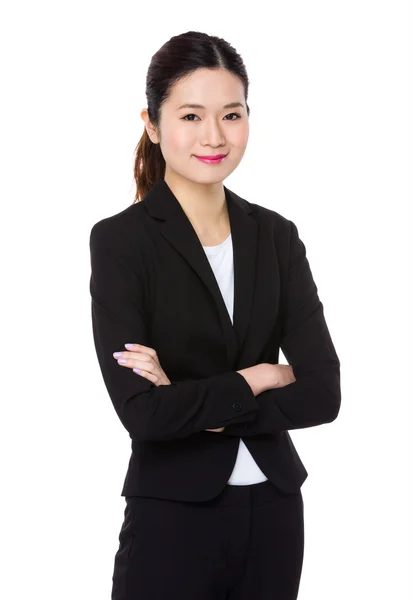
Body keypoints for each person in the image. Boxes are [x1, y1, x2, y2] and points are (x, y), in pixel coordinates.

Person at [89, 30, 341, 600]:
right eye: (191, 115)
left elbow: (323, 393)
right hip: (172, 516)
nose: (214, 136)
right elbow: (144, 414)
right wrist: (259, 377)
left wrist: (195, 402)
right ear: (152, 125)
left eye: (231, 115)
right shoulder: (121, 243)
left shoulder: (276, 236)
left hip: (275, 512)